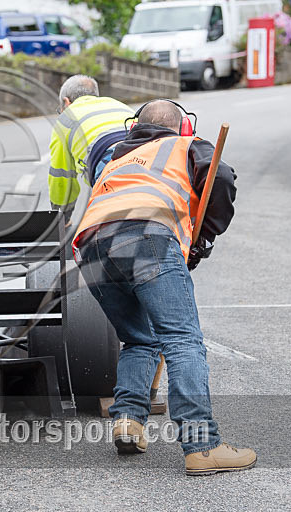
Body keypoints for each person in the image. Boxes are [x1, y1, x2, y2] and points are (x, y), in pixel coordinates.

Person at [73, 99, 256, 475]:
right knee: (182, 339)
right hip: (145, 234)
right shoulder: (184, 144)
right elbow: (220, 178)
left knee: (140, 338)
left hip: (90, 248)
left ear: (132, 127)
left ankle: (129, 421)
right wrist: (204, 237)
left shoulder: (117, 158)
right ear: (182, 125)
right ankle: (202, 446)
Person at [48, 75, 134, 212]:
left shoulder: (66, 118)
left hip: (109, 165)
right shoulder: (120, 105)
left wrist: (62, 215)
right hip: (149, 155)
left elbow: (62, 177)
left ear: (66, 102)